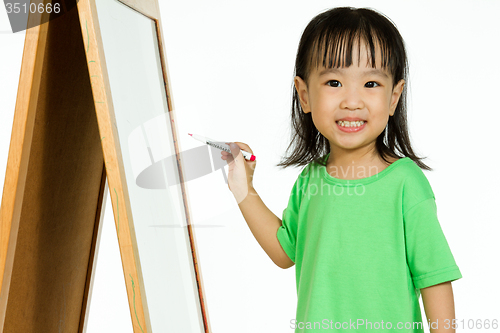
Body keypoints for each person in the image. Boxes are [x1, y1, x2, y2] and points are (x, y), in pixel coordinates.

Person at [221, 6, 462, 333]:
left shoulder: (406, 184)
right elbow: (284, 251)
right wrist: (243, 189)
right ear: (305, 95)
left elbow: (434, 279)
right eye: (334, 82)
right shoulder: (310, 181)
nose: (352, 101)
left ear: (394, 97)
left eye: (371, 84)